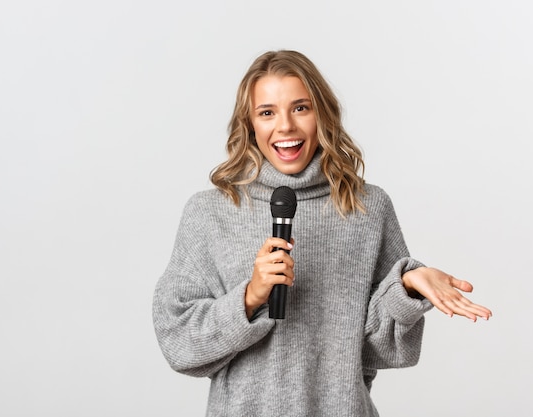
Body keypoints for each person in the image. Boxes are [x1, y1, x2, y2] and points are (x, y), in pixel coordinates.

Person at [152, 50, 492, 417]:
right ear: (249, 124)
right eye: (267, 112)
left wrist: (405, 287)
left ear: (322, 114)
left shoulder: (367, 207)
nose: (285, 126)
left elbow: (376, 352)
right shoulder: (210, 211)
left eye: (300, 108)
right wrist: (250, 297)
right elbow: (179, 342)